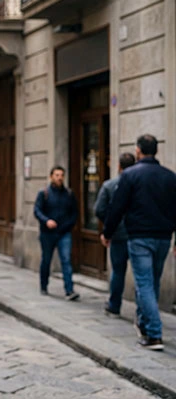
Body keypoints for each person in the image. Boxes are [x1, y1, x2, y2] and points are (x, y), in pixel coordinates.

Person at [102, 134, 176, 351]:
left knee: (144, 284)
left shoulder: (130, 175)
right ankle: (144, 324)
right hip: (163, 237)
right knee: (153, 282)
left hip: (140, 237)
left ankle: (154, 334)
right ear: (156, 151)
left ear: (138, 150)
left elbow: (117, 207)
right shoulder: (170, 177)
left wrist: (107, 232)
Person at [94, 152, 136, 317]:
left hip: (118, 235)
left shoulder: (109, 185)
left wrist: (109, 227)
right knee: (141, 274)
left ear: (118, 166)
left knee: (118, 272)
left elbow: (99, 209)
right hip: (136, 234)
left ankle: (114, 305)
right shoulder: (138, 184)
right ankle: (142, 310)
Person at [33, 165, 79, 301]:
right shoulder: (44, 193)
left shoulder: (69, 194)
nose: (60, 178)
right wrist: (46, 221)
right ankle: (44, 285)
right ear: (51, 177)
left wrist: (68, 225)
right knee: (46, 260)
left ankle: (69, 290)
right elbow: (37, 210)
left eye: (62, 175)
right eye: (57, 175)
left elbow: (74, 213)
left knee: (66, 260)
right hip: (47, 233)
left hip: (64, 233)